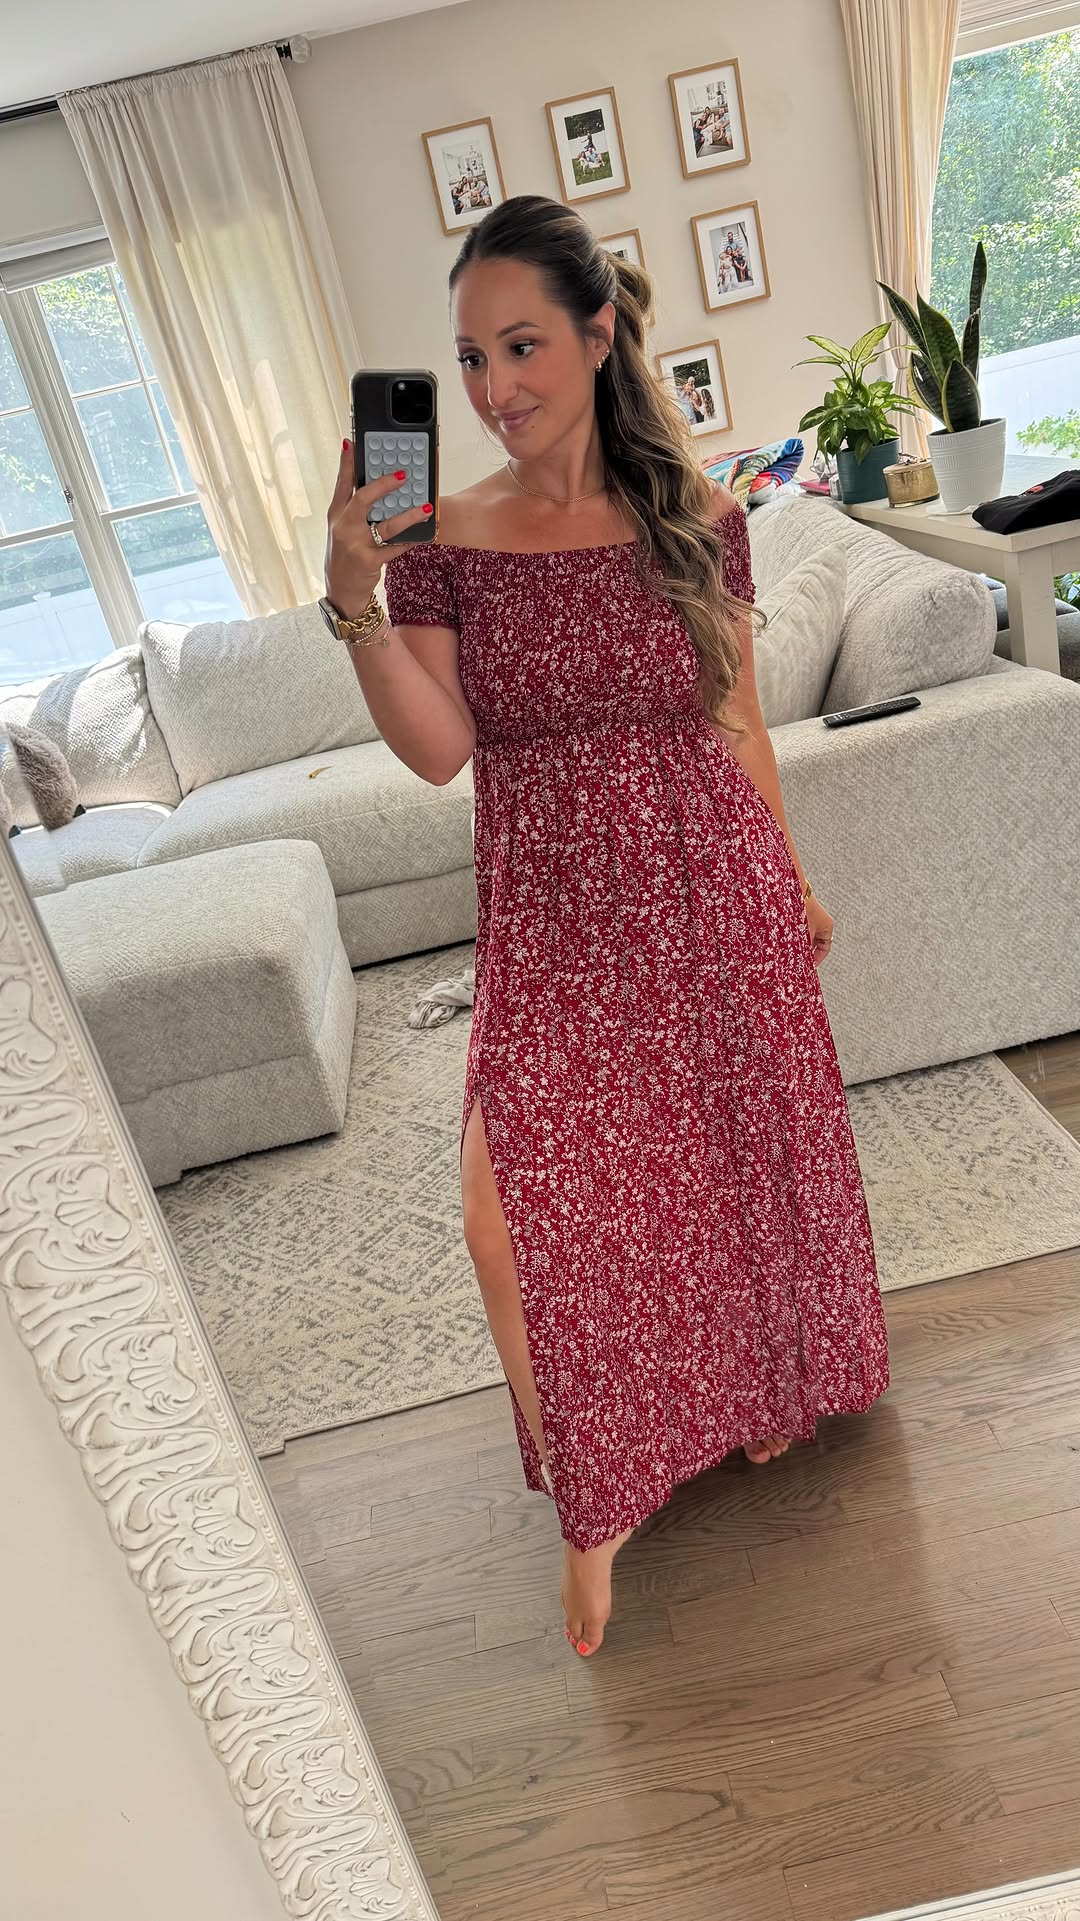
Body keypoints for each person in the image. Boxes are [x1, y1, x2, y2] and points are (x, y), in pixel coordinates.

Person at [322, 191, 889, 1660]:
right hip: (555, 913)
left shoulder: (700, 518)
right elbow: (441, 751)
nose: (493, 387)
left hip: (709, 883)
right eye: (469, 359)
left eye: (520, 346)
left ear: (595, 334)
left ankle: (754, 1384)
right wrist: (351, 595)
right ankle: (595, 1504)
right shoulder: (437, 537)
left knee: (726, 1161)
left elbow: (737, 722)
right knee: (504, 1212)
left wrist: (793, 878)